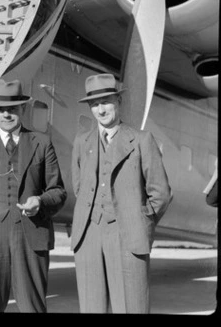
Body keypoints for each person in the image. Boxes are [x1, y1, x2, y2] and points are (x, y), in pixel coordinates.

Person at [71, 73, 172, 313]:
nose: (100, 109)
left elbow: (161, 194)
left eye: (105, 102)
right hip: (88, 236)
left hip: (128, 236)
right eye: (94, 104)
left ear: (119, 101)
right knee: (91, 308)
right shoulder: (82, 143)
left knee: (131, 308)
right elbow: (79, 187)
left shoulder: (141, 140)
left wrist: (141, 221)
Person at [0, 79, 67, 312]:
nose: (7, 114)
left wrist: (40, 201)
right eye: (1, 109)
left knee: (33, 305)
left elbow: (58, 191)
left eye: (12, 109)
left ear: (23, 109)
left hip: (31, 233)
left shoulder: (42, 143)